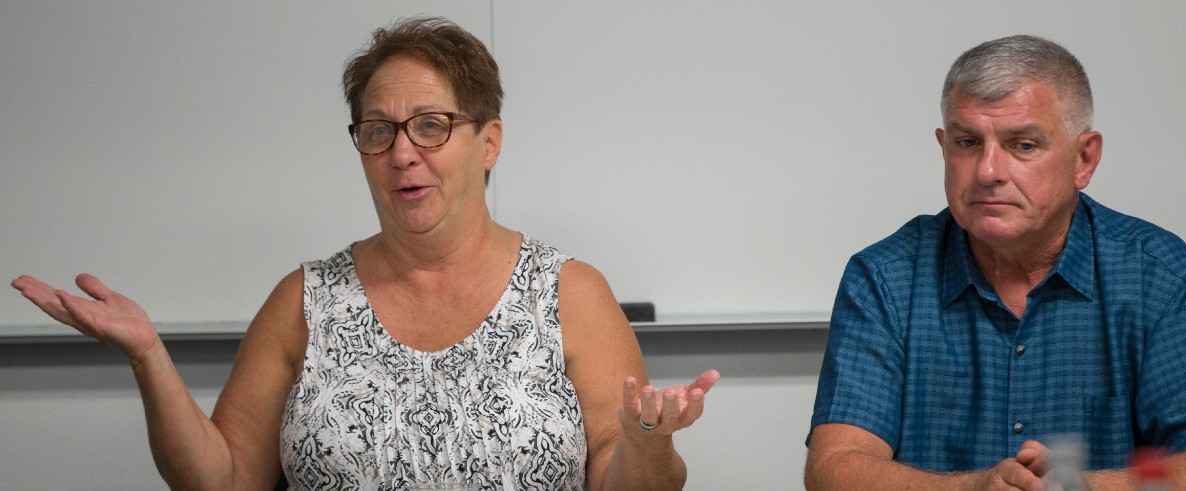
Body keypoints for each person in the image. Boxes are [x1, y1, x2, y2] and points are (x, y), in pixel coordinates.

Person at [11, 16, 718, 490]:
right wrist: (148, 357)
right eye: (378, 130)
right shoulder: (305, 299)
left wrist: (647, 443)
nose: (402, 153)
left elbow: (632, 481)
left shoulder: (568, 292)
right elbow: (222, 479)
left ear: (490, 142)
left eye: (430, 126)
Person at [804, 35, 1186, 490]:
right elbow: (834, 468)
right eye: (967, 142)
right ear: (943, 147)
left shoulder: (1158, 275)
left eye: (1022, 145)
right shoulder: (885, 277)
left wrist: (1085, 487)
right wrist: (970, 489)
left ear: (1084, 159)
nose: (987, 171)